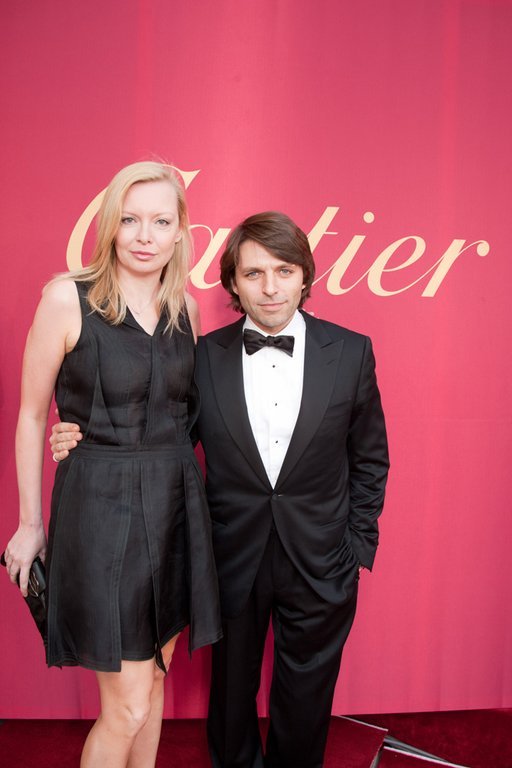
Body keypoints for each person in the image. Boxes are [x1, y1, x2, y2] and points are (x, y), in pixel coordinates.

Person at [51, 210, 389, 768]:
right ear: (232, 282)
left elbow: (370, 457)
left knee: (307, 696)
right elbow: (160, 435)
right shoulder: (204, 355)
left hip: (323, 556)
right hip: (229, 555)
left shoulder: (352, 351)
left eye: (284, 271)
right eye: (254, 273)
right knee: (231, 695)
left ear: (305, 275)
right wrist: (78, 436)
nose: (271, 287)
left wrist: (356, 545)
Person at [4, 161, 221, 768]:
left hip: (176, 505)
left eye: (161, 221)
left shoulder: (187, 310)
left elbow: (185, 416)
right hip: (100, 508)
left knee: (153, 685)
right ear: (109, 226)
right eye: (130, 220)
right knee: (125, 705)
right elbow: (32, 415)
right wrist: (30, 524)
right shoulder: (65, 298)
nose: (145, 236)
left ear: (180, 231)